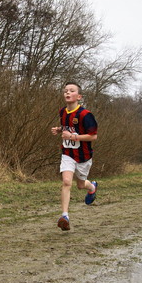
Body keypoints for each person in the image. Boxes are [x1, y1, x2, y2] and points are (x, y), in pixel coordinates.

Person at [51, 82, 98, 231]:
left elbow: (93, 136)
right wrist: (59, 130)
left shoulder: (86, 115)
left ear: (79, 96)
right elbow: (67, 127)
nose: (67, 93)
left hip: (84, 156)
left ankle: (92, 187)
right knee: (66, 182)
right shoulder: (62, 112)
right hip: (68, 154)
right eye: (65, 91)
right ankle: (65, 216)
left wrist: (72, 136)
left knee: (80, 185)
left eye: (71, 91)